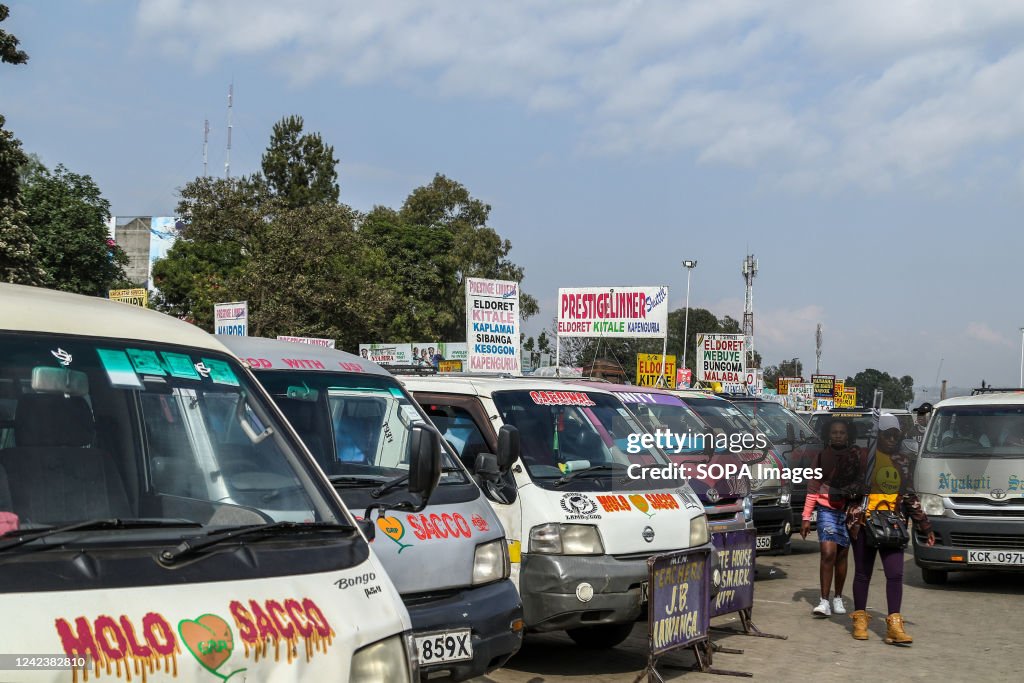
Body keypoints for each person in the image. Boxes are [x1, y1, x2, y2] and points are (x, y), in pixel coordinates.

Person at [848, 413, 935, 644]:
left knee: (895, 574)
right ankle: (860, 619)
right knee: (862, 573)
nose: (891, 439)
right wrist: (859, 483)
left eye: (895, 435)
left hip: (892, 523)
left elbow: (909, 495)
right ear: (878, 434)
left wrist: (924, 525)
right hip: (864, 522)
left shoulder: (902, 460)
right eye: (887, 434)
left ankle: (894, 626)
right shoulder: (862, 455)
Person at [801, 418, 862, 617]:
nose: (838, 435)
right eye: (834, 432)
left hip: (848, 512)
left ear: (848, 435)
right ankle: (824, 601)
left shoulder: (856, 457)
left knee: (842, 555)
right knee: (828, 553)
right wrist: (806, 517)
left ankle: (838, 598)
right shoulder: (820, 457)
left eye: (842, 432)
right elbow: (812, 489)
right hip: (826, 510)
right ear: (828, 434)